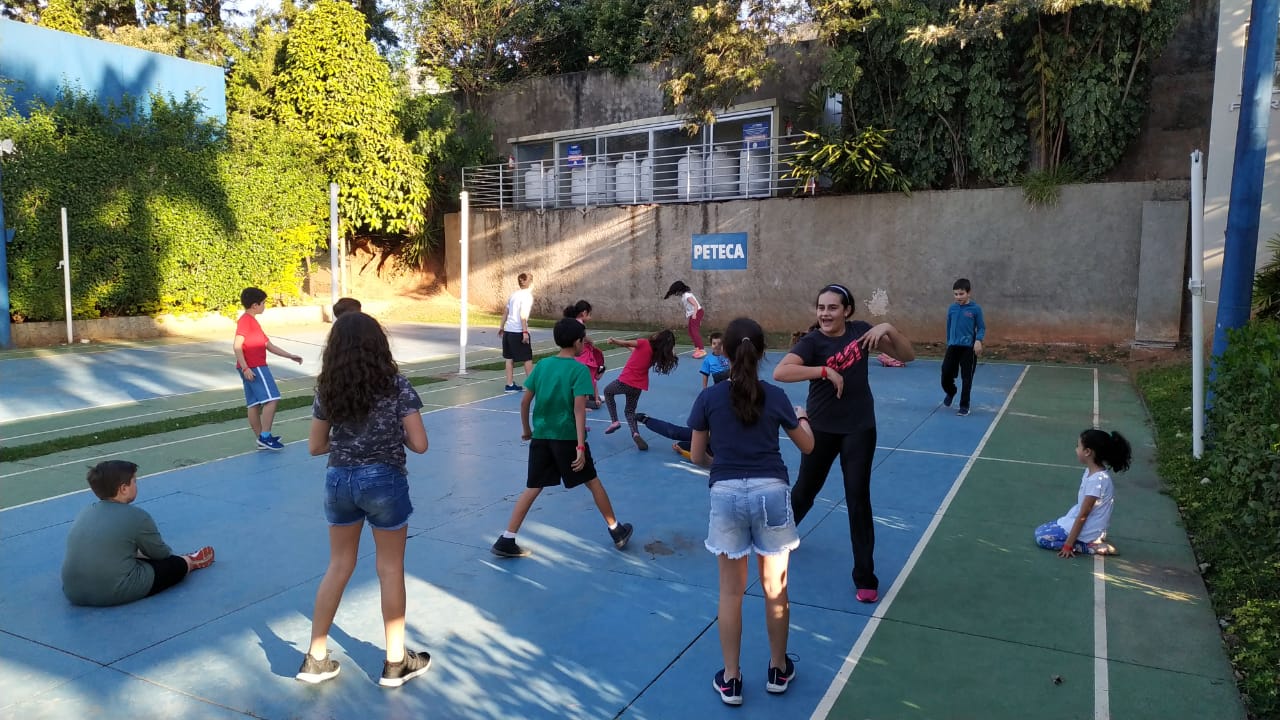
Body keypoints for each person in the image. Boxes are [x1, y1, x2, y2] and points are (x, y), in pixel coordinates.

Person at [298, 312, 431, 688]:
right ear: (379, 345)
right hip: (384, 480)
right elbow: (420, 444)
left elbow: (314, 446)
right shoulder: (397, 387)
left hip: (338, 480)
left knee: (338, 565)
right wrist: (390, 436)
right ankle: (395, 661)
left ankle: (315, 657)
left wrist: (348, 443)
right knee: (390, 569)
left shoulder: (329, 389)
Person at [687, 317, 814, 706]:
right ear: (761, 353)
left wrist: (725, 467)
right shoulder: (775, 396)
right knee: (776, 589)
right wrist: (803, 414)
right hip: (772, 492)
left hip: (725, 493)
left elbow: (696, 456)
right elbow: (808, 447)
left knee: (730, 593)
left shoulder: (708, 399)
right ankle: (778, 669)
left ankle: (732, 679)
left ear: (721, 350)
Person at [773, 283, 915, 603]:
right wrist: (824, 370)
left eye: (832, 308)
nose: (825, 313)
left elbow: (908, 354)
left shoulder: (862, 333)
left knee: (858, 498)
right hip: (821, 429)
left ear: (847, 310)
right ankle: (781, 536)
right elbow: (782, 372)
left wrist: (888, 328)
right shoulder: (812, 342)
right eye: (821, 308)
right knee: (805, 491)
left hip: (859, 429)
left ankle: (865, 576)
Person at [490, 318, 634, 558]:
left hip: (542, 436)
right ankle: (616, 530)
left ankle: (507, 538)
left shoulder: (543, 365)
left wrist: (526, 429)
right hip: (566, 438)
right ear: (578, 342)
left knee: (533, 487)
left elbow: (525, 402)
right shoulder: (578, 370)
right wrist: (580, 446)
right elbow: (579, 410)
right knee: (593, 481)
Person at [61, 460, 215, 607]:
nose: (136, 484)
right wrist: (175, 559)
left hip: (72, 592)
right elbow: (161, 554)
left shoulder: (85, 511)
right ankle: (191, 561)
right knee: (174, 565)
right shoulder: (137, 516)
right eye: (134, 481)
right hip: (112, 592)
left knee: (125, 551)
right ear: (123, 488)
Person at [1035, 429, 1131, 557]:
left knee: (1042, 539)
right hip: (1087, 523)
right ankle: (1094, 538)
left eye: (1078, 446)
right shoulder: (1091, 472)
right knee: (1040, 531)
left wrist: (1068, 545)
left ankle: (1090, 546)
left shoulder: (1097, 481)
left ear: (1087, 452)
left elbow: (1083, 515)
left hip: (1088, 528)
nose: (1076, 449)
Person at [234, 287, 303, 451]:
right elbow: (237, 346)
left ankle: (261, 439)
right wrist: (246, 368)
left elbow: (268, 346)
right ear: (254, 305)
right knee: (272, 399)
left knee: (254, 404)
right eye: (263, 303)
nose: (265, 306)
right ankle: (265, 436)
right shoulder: (246, 321)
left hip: (251, 367)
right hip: (254, 367)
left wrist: (289, 355)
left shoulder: (253, 322)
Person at [602, 330, 679, 451]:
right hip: (637, 386)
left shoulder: (643, 343)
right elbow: (635, 351)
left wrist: (614, 341)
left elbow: (626, 342)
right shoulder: (655, 354)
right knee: (630, 411)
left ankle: (615, 421)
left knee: (607, 391)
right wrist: (627, 347)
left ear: (658, 337)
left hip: (625, 381)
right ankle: (635, 433)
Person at [941, 278, 986, 416]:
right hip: (953, 347)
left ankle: (964, 405)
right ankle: (951, 391)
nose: (958, 297)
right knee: (945, 373)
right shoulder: (952, 308)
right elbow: (949, 326)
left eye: (961, 294)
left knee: (966, 378)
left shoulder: (975, 309)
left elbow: (981, 327)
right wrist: (949, 342)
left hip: (968, 348)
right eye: (955, 294)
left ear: (969, 293)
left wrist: (978, 340)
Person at [564, 300, 606, 409]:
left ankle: (589, 398)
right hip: (582, 357)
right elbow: (581, 337)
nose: (590, 317)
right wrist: (589, 341)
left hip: (580, 356)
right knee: (586, 377)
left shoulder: (574, 322)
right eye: (589, 315)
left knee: (585, 377)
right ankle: (582, 402)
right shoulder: (579, 324)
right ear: (584, 313)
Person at [500, 272, 535, 393]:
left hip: (508, 331)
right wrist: (525, 332)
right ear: (530, 283)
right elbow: (523, 315)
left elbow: (506, 312)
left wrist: (501, 326)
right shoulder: (527, 297)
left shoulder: (513, 295)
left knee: (509, 358)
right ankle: (532, 385)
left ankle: (509, 385)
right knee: (527, 358)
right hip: (518, 332)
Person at [664, 280, 707, 359]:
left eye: (676, 292)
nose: (676, 294)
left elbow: (695, 305)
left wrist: (694, 315)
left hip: (696, 312)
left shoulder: (687, 295)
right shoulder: (684, 296)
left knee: (694, 331)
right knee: (691, 331)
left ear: (679, 290)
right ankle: (697, 349)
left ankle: (701, 350)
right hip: (694, 313)